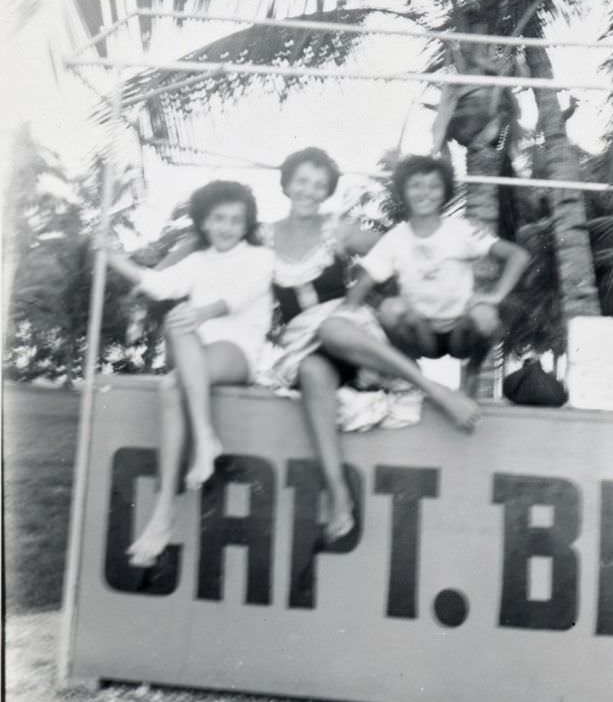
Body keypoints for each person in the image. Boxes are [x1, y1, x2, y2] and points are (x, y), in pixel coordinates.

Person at [263, 147, 481, 545]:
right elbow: (213, 253)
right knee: (313, 373)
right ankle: (338, 493)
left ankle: (436, 391)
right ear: (287, 182)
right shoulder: (263, 237)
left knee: (331, 327)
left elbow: (404, 247)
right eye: (302, 181)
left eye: (318, 183)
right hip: (300, 340)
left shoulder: (339, 231)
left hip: (348, 327)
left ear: (327, 189)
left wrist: (432, 290)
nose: (309, 190)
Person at [100, 180, 274, 567]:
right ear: (204, 222)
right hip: (195, 353)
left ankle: (172, 500)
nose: (227, 227)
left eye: (236, 219)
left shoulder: (260, 258)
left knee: (180, 326)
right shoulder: (198, 261)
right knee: (170, 382)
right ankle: (188, 469)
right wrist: (113, 259)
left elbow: (241, 297)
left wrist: (200, 313)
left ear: (246, 224)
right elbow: (160, 285)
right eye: (218, 219)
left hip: (237, 353)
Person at [345, 154, 530, 396]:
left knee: (485, 314)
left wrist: (497, 295)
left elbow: (518, 255)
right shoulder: (396, 238)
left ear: (445, 192)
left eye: (434, 186)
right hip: (421, 334)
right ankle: (409, 372)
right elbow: (365, 281)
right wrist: (346, 319)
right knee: (391, 307)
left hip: (459, 333)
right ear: (403, 191)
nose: (425, 193)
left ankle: (472, 373)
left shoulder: (461, 230)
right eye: (416, 186)